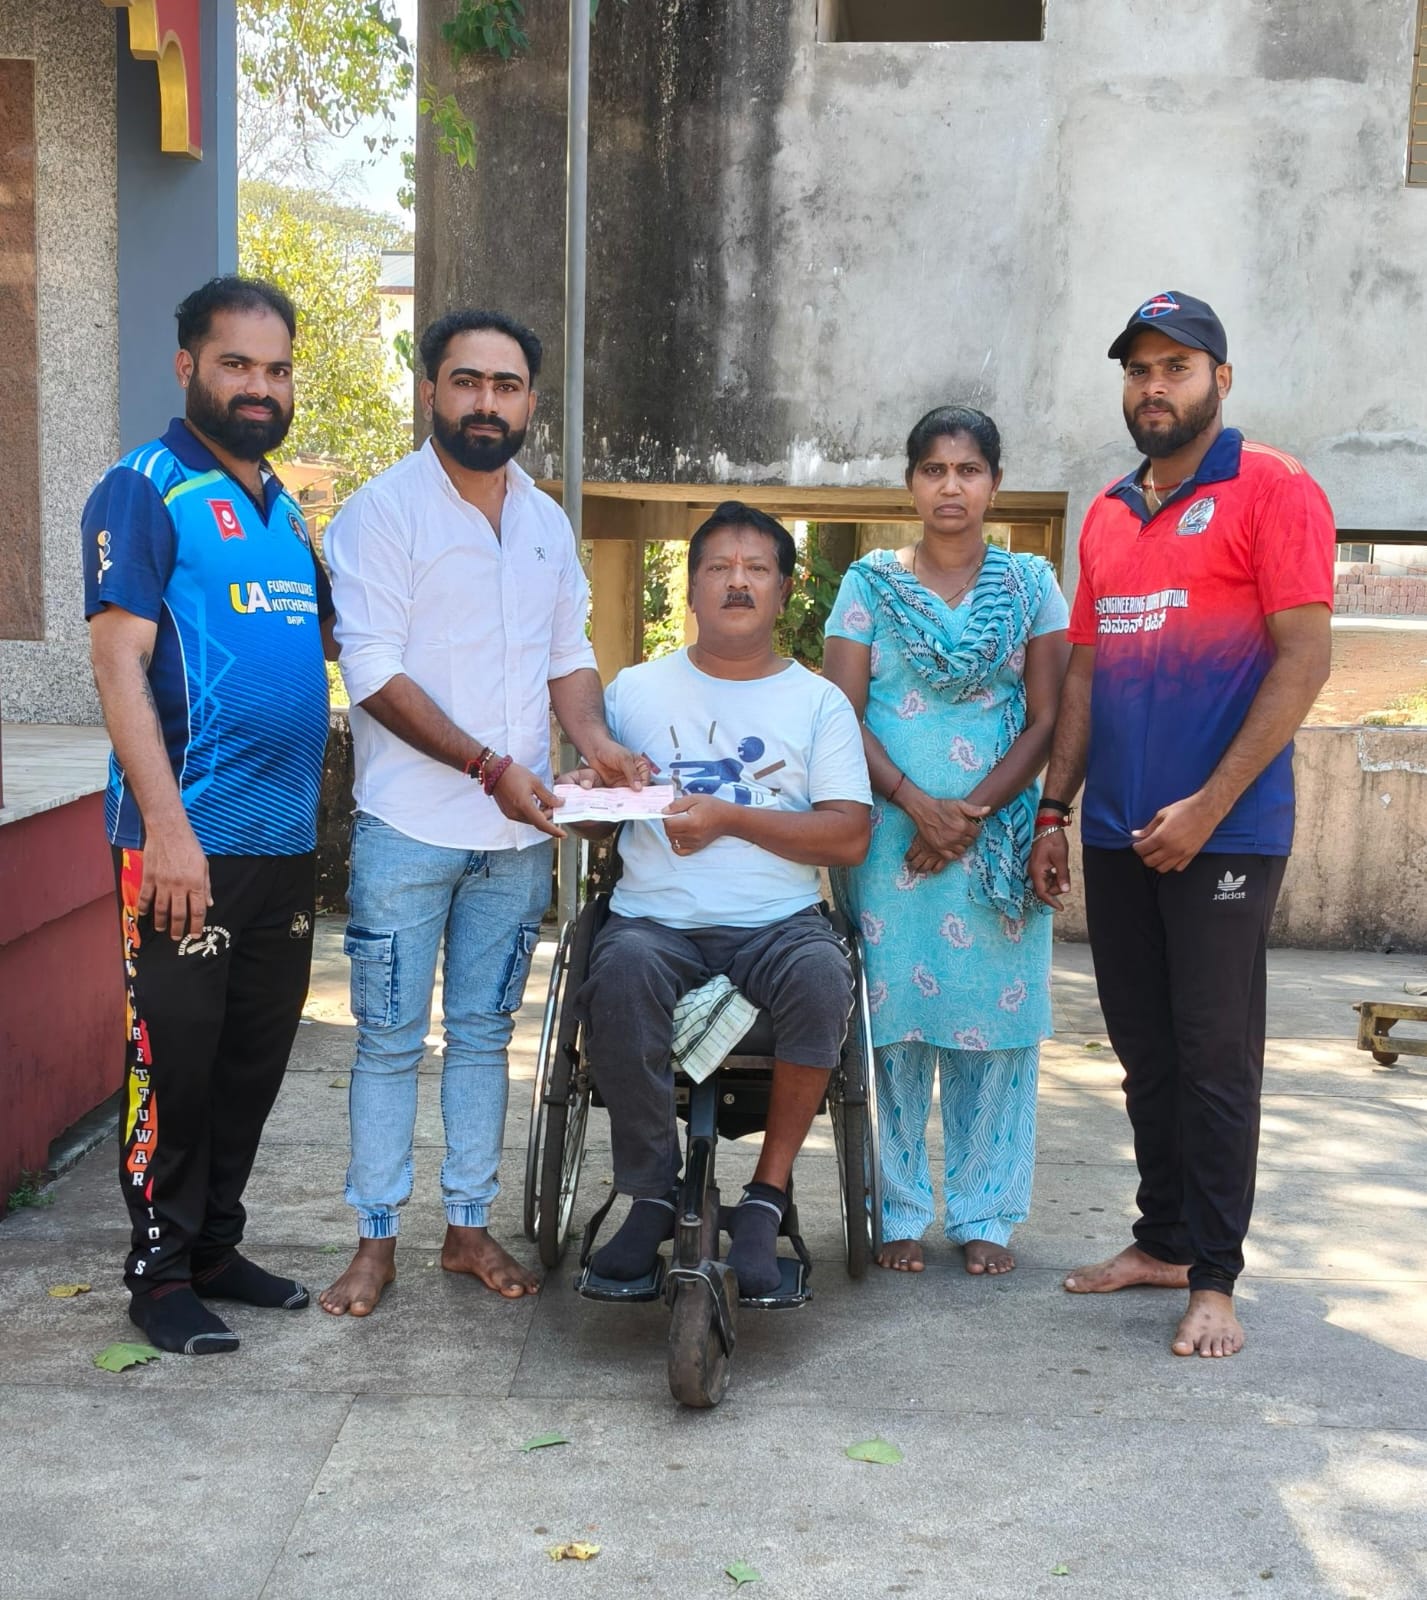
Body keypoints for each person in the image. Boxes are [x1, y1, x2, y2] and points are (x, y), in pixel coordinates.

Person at [319, 309, 644, 1317]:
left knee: (482, 1035)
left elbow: (567, 656)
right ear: (430, 390)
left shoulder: (544, 520)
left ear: (530, 401)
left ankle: (466, 1228)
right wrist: (488, 763)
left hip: (514, 839)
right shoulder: (380, 513)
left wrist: (595, 744)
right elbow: (372, 672)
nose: (485, 403)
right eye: (466, 382)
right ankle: (375, 1237)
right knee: (386, 1041)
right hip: (406, 828)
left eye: (505, 386)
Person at [1029, 291, 1334, 1358]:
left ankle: (1212, 1277)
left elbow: (1303, 661)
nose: (1153, 386)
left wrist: (1208, 806)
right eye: (1137, 369)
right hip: (1116, 831)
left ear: (1219, 379)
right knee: (1145, 1055)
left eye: (1175, 366)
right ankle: (1160, 1240)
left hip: (1226, 834)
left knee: (1213, 1058)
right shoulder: (1109, 513)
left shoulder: (1274, 487)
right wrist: (1055, 809)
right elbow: (1084, 673)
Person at [83, 275, 335, 1355]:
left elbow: (325, 646)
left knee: (251, 1060)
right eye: (236, 364)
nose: (258, 386)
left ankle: (215, 1247)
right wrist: (168, 828)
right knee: (173, 1062)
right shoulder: (145, 488)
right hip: (183, 844)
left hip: (282, 841)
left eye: (275, 369)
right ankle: (158, 1273)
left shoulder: (286, 509)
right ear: (188, 366)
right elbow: (117, 665)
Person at [575, 502, 872, 1296]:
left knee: (822, 975)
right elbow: (596, 821)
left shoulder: (817, 703)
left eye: (756, 569)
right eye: (718, 567)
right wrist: (587, 796)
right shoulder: (634, 690)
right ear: (691, 589)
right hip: (654, 921)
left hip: (776, 924)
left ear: (784, 590)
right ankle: (650, 1192)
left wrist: (732, 819)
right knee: (618, 969)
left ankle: (765, 1198)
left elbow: (848, 836)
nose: (737, 582)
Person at [823, 407, 1070, 1277]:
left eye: (967, 470)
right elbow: (838, 714)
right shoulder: (867, 585)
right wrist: (913, 803)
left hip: (995, 842)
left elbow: (1047, 720)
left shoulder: (1032, 586)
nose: (950, 487)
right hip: (889, 838)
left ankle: (984, 1213)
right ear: (910, 485)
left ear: (994, 484)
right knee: (889, 1027)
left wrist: (964, 815)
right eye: (933, 470)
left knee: (994, 1030)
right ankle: (891, 1207)